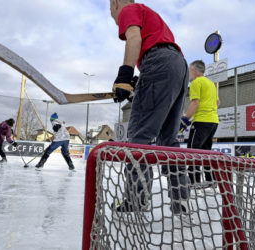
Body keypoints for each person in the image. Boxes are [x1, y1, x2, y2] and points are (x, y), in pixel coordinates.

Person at [109, 0, 189, 214]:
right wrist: (140, 79)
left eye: (111, 12)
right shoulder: (150, 15)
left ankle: (136, 199)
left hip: (157, 62)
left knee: (138, 138)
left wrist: (125, 75)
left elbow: (134, 39)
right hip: (179, 65)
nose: (114, 18)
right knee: (169, 141)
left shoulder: (129, 9)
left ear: (115, 3)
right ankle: (180, 200)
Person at [180, 60, 220, 188]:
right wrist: (209, 110)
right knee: (206, 152)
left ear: (194, 70)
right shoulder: (211, 84)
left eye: (189, 70)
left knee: (193, 151)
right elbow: (218, 103)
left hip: (202, 121)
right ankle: (211, 180)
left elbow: (195, 103)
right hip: (213, 121)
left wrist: (185, 120)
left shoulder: (196, 82)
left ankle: (194, 181)